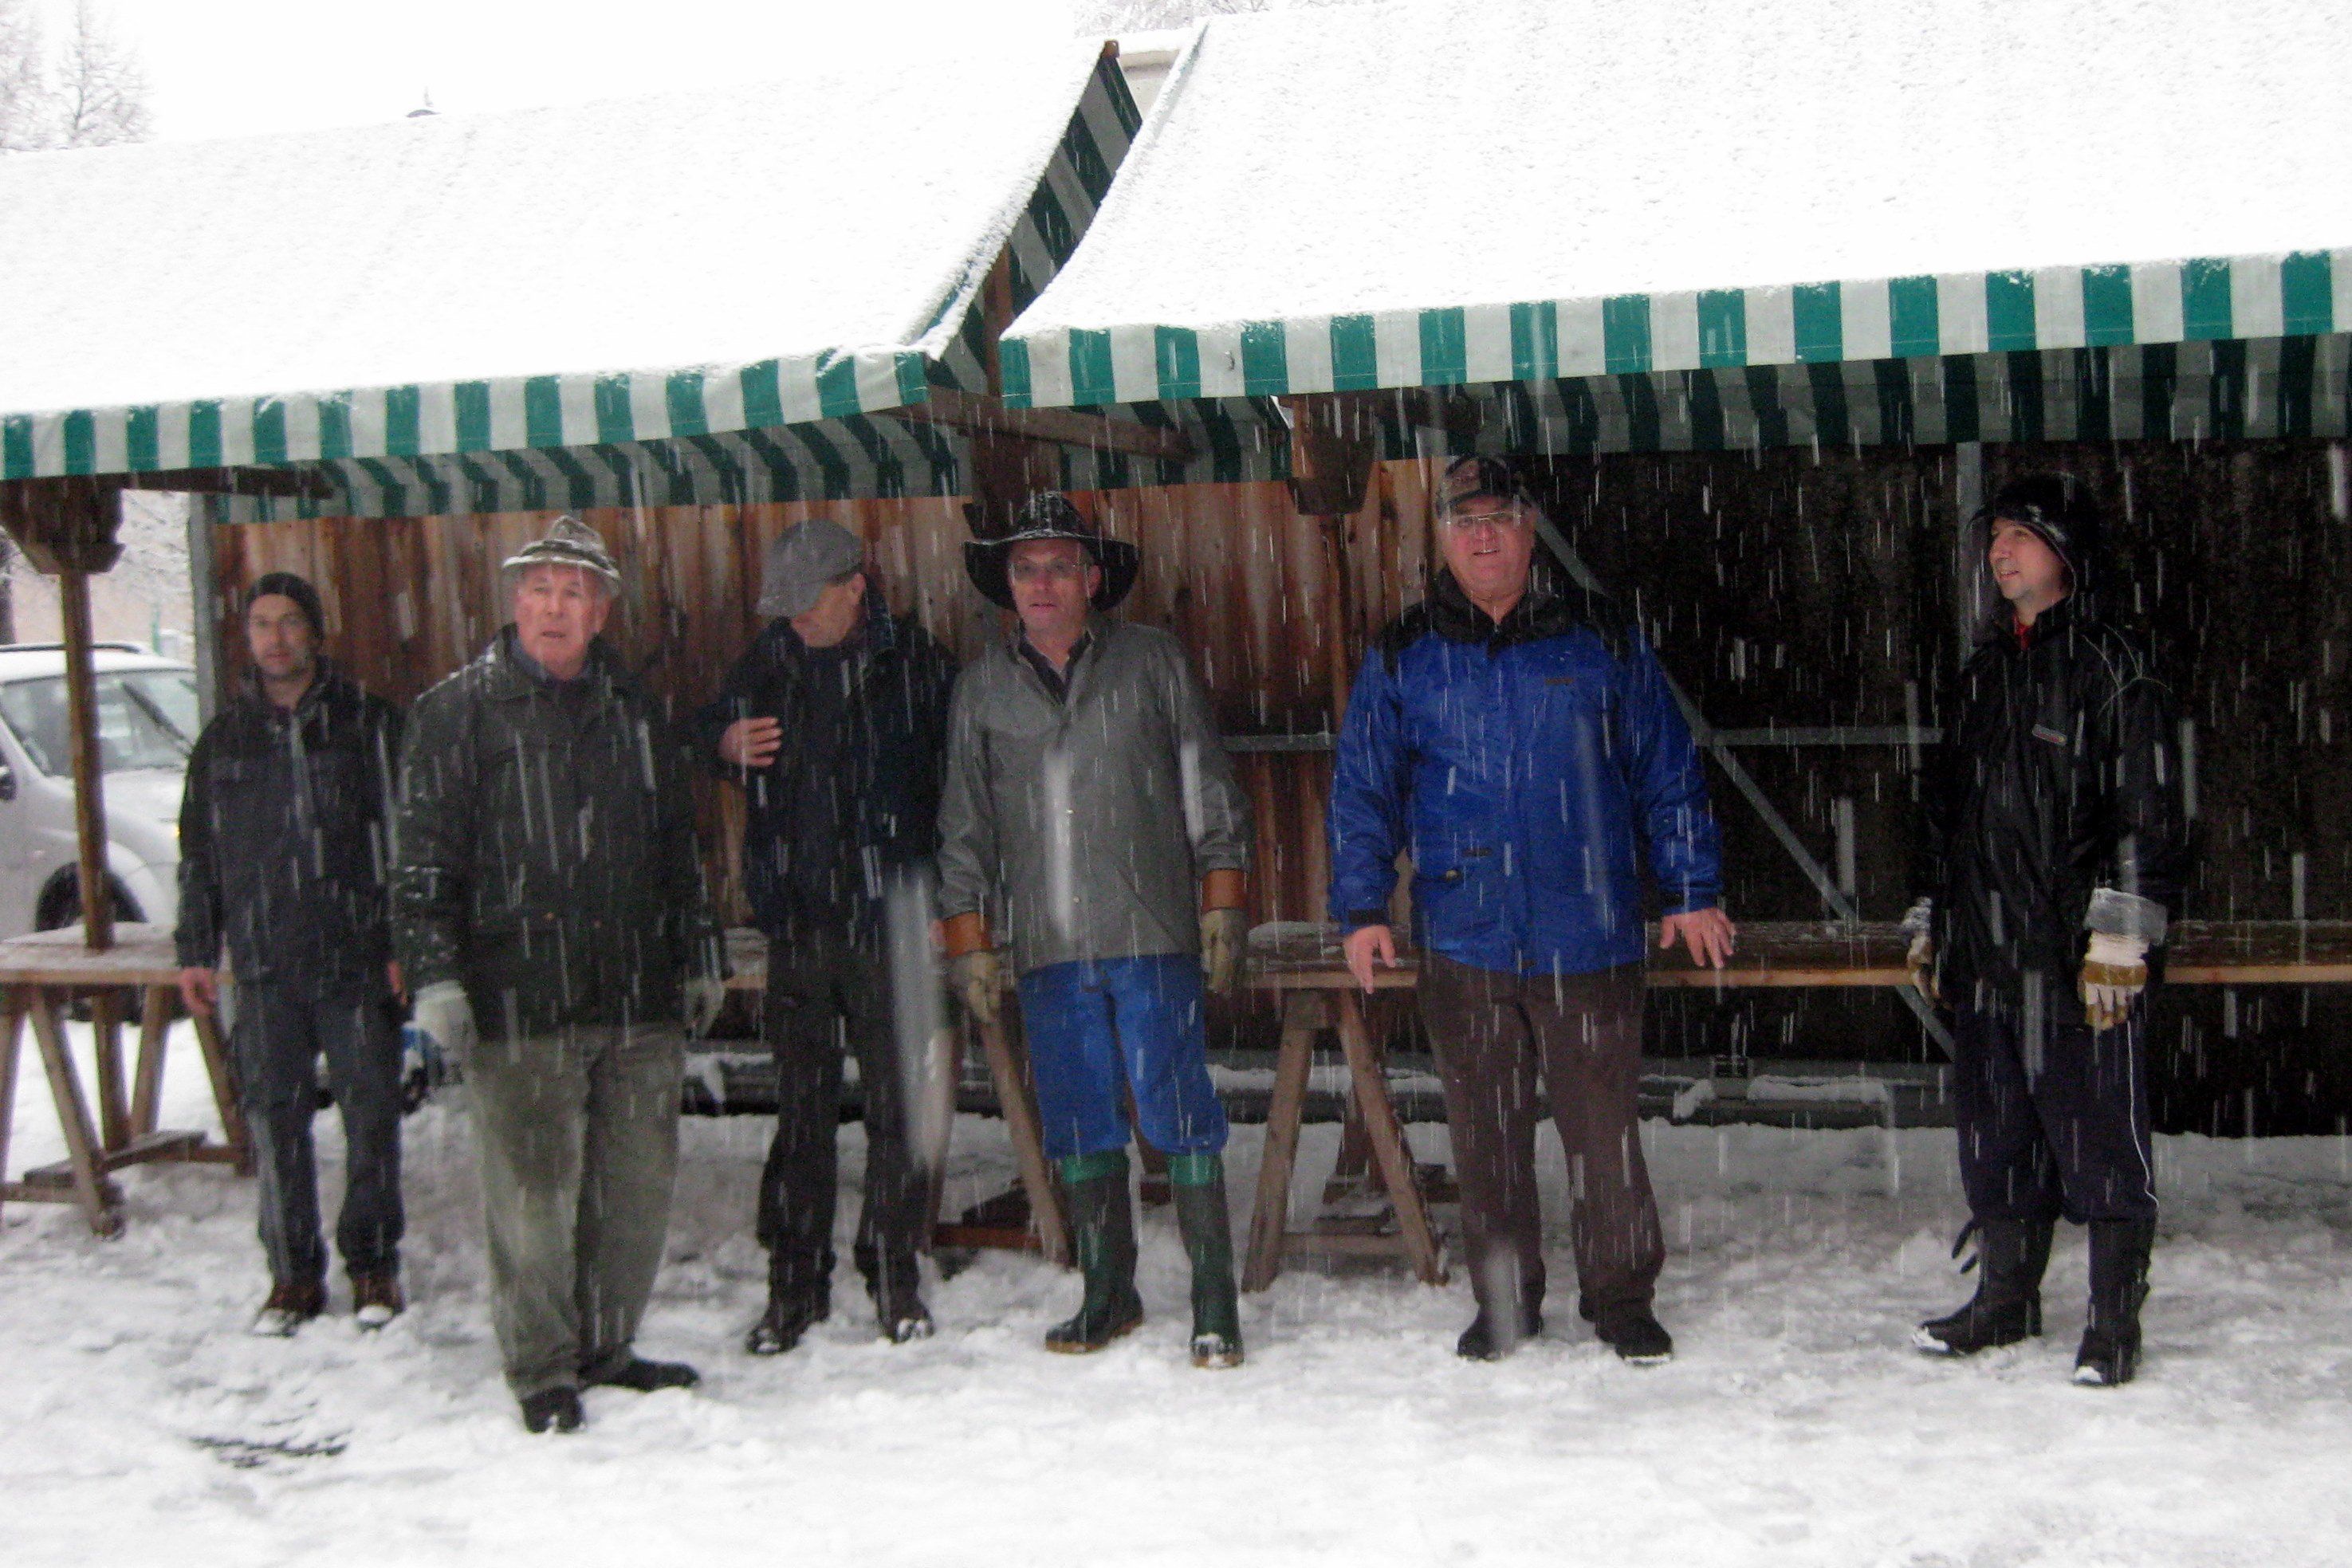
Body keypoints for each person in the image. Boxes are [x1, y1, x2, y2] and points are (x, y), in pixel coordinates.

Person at [1328, 455, 1733, 1365]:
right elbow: (1363, 789)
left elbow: (1666, 767)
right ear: (1442, 536)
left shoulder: (1598, 637)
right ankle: (1505, 1300)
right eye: (1464, 520)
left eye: (1499, 518)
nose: (1483, 536)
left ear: (1529, 528)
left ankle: (1621, 1298)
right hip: (1464, 936)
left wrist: (1690, 888)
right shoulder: (1404, 652)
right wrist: (1360, 906)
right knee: (1486, 1135)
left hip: (1587, 933)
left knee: (1603, 1132)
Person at [394, 517, 727, 1434]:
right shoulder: (458, 712)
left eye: (573, 592)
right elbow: (421, 861)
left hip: (636, 994)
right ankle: (543, 1366)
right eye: (540, 588)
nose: (554, 606)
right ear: (515, 600)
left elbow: (677, 849)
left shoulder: (636, 709)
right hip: (519, 996)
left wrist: (698, 950)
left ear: (601, 610)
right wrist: (436, 975)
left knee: (633, 1194)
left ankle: (607, 1346)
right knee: (533, 1204)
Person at [936, 493, 1254, 1368]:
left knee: (1179, 1112)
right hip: (1047, 945)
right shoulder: (980, 689)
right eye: (1025, 568)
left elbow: (1208, 785)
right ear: (1007, 584)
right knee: (1078, 1121)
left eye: (1059, 566)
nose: (1042, 583)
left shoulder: (1152, 660)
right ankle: (1108, 1292)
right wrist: (968, 937)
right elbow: (963, 827)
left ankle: (1215, 1302)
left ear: (1092, 577)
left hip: (1152, 930)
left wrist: (1223, 896)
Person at [1906, 474, 2187, 1387]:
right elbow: (1943, 815)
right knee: (1995, 1146)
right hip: (1986, 956)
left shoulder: (2113, 666)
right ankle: (2004, 1300)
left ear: (2064, 551)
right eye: (1994, 537)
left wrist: (2122, 933)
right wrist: (1932, 916)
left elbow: (2147, 810)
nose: (1999, 552)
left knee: (2103, 1149)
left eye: (2018, 536)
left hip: (2076, 961)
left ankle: (2111, 1323)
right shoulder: (1983, 673)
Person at [697, 519, 959, 1354]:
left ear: (856, 586)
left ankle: (893, 1275)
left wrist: (950, 898)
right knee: (801, 1115)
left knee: (896, 1113)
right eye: (784, 605)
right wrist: (722, 742)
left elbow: (962, 790)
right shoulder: (769, 659)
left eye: (807, 603)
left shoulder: (918, 665)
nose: (796, 618)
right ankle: (794, 1286)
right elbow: (698, 730)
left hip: (893, 927)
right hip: (799, 925)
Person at [175, 572, 407, 1337]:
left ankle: (373, 1263)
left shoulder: (368, 723)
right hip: (264, 962)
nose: (275, 638)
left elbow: (407, 840)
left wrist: (402, 940)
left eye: (289, 622)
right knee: (274, 1123)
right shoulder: (224, 740)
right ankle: (292, 1275)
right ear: (247, 638)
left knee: (372, 1117)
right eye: (261, 624)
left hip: (354, 956)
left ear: (315, 631)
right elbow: (198, 855)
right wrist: (195, 948)